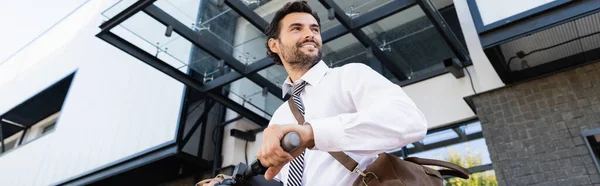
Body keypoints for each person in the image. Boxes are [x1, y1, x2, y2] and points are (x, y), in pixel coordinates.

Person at [204, 1, 427, 186]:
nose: (310, 34)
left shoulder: (350, 75)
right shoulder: (279, 118)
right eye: (297, 28)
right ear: (275, 45)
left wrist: (311, 133)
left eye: (314, 29)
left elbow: (411, 121)